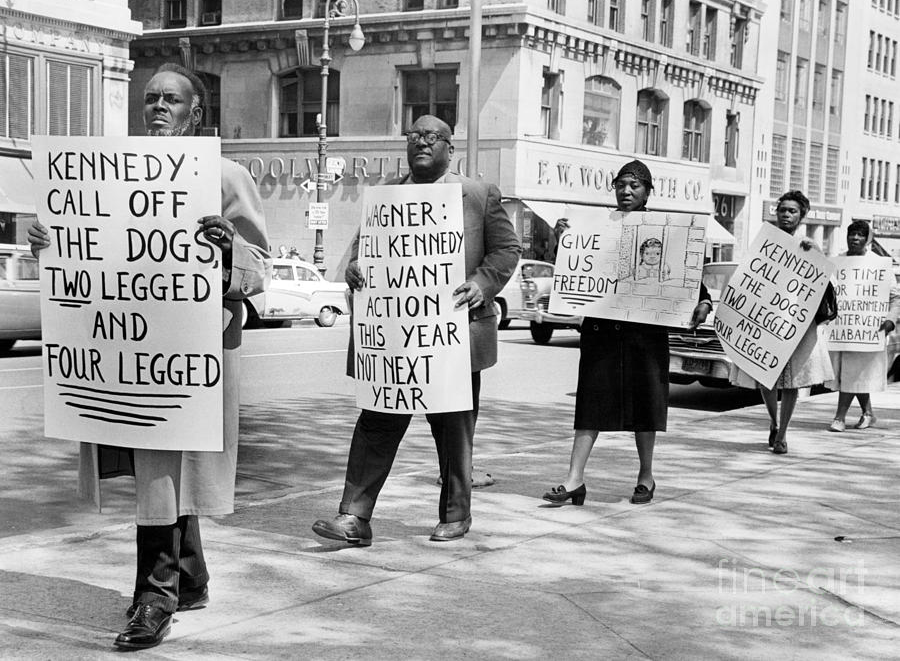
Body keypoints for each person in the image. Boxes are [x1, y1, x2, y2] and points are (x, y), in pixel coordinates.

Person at [28, 63, 270, 650]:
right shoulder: (112, 176)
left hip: (192, 352)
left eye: (171, 100)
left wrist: (229, 245)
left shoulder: (226, 175)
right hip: (131, 348)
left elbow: (261, 266)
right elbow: (97, 249)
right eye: (150, 99)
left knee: (162, 465)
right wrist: (51, 238)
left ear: (196, 112)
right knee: (154, 464)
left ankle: (153, 596)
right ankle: (187, 577)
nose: (158, 107)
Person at [311, 115, 520, 545]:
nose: (421, 142)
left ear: (450, 147)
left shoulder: (478, 195)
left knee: (453, 429)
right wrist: (354, 268)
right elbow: (361, 248)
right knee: (377, 422)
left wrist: (482, 284)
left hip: (452, 336)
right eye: (414, 136)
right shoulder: (385, 196)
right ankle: (354, 517)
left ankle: (456, 514)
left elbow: (507, 248)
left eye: (431, 137)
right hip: (393, 339)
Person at [542, 160, 711, 507]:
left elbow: (688, 277)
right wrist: (566, 241)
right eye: (621, 184)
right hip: (602, 332)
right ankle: (574, 478)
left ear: (649, 191)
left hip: (644, 334)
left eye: (635, 185)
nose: (627, 191)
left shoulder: (665, 229)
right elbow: (575, 269)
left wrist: (704, 303)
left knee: (645, 403)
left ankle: (646, 476)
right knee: (590, 401)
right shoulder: (597, 225)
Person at [729, 190, 833, 454]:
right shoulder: (764, 242)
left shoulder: (808, 245)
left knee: (792, 382)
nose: (786, 215)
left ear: (802, 216)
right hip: (766, 321)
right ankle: (773, 422)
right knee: (766, 379)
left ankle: (782, 434)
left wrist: (815, 255)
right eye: (783, 209)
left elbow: (821, 284)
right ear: (776, 212)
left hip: (794, 323)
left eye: (792, 211)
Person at [827, 220, 900, 431]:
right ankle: (868, 413)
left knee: (853, 372)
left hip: (868, 329)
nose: (855, 238)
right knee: (850, 374)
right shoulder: (837, 262)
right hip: (842, 329)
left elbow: (895, 297)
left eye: (860, 235)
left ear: (867, 239)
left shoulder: (879, 263)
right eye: (852, 234)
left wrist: (889, 320)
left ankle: (839, 418)